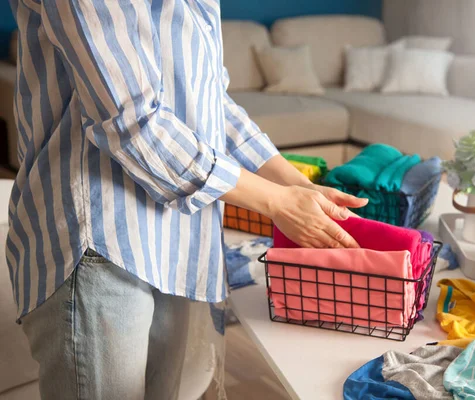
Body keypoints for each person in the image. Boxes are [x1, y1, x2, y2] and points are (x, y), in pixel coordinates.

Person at [6, 1, 367, 399]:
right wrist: (276, 202)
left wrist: (296, 184)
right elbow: (132, 121)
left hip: (172, 235)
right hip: (100, 238)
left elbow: (210, 101)